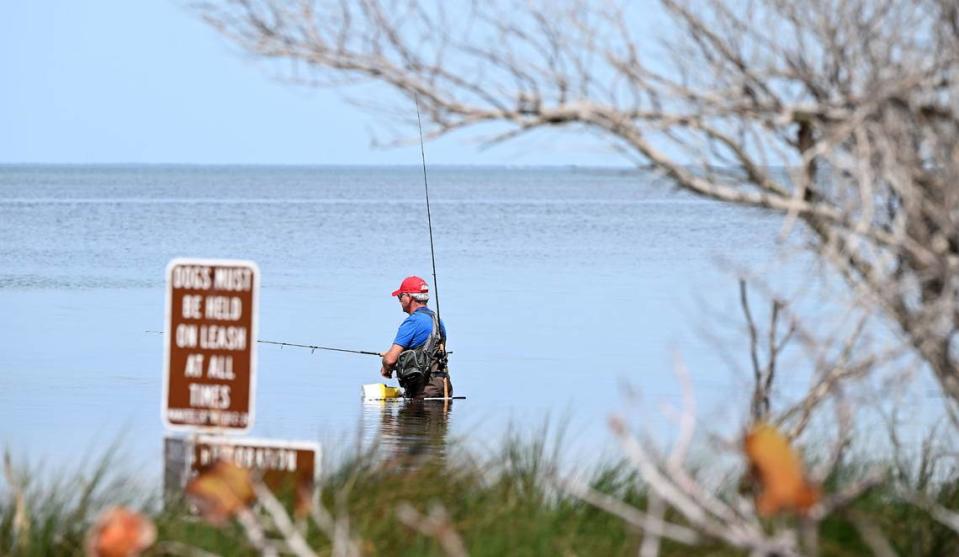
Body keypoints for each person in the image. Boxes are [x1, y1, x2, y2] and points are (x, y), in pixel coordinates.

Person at [380, 276, 452, 399]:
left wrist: (386, 367)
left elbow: (390, 360)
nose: (399, 300)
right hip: (443, 388)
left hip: (423, 390)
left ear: (409, 297)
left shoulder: (412, 322)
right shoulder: (437, 320)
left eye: (400, 296)